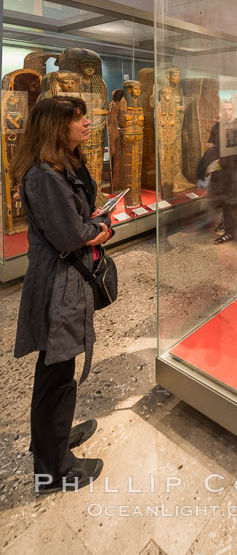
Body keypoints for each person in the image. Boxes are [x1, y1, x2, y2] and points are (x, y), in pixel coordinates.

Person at [11, 96, 113, 493]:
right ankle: (53, 471)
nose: (87, 124)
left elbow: (80, 215)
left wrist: (94, 223)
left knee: (58, 370)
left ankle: (53, 439)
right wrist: (97, 232)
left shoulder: (61, 167)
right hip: (57, 285)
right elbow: (70, 234)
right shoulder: (43, 177)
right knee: (56, 373)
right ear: (56, 127)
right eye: (78, 119)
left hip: (66, 282)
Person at [208, 101, 237, 244]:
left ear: (233, 110)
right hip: (222, 171)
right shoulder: (217, 127)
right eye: (224, 109)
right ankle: (230, 230)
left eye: (229, 109)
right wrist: (212, 168)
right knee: (225, 201)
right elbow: (211, 147)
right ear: (221, 111)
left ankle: (236, 231)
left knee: (232, 201)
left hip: (236, 170)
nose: (227, 112)